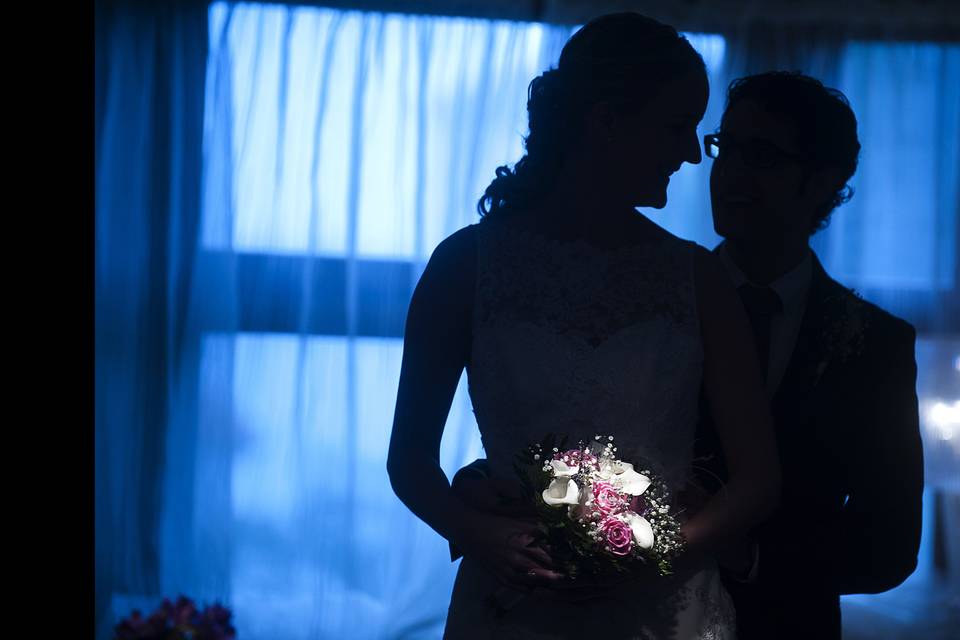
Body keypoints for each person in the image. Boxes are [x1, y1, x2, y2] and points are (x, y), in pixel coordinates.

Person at [387, 13, 780, 638]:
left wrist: (658, 551)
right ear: (606, 123)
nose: (688, 152)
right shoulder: (467, 264)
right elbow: (409, 462)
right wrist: (485, 535)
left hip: (667, 607)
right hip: (515, 601)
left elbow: (758, 478)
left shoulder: (696, 279)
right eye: (677, 126)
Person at [697, 71, 924, 640]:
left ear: (823, 180)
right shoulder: (652, 302)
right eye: (725, 147)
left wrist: (749, 556)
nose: (730, 174)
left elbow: (890, 546)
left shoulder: (877, 344)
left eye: (763, 155)